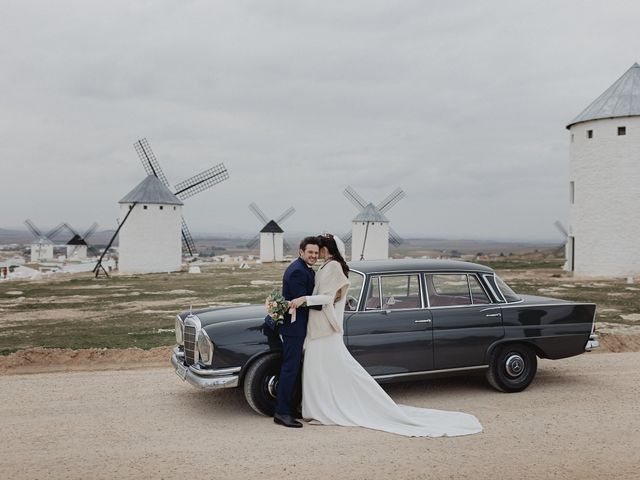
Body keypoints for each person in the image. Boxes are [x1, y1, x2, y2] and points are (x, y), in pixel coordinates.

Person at [288, 234, 483, 437]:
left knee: (333, 369)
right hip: (321, 325)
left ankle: (330, 408)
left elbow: (328, 297)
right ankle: (322, 407)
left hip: (327, 327)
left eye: (319, 248)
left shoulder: (334, 266)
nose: (316, 252)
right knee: (327, 370)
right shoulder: (327, 266)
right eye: (313, 250)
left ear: (327, 249)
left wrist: (304, 299)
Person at [273, 236, 321, 428]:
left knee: (295, 368)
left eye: (316, 253)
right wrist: (326, 302)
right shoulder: (297, 272)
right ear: (301, 252)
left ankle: (290, 407)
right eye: (310, 252)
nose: (313, 256)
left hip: (298, 326)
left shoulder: (304, 269)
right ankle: (281, 412)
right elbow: (303, 302)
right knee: (290, 368)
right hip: (293, 327)